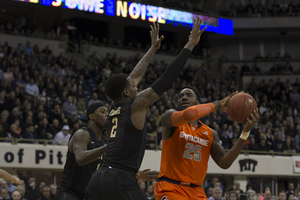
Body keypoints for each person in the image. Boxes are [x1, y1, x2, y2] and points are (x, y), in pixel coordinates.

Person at [84, 17, 207, 200]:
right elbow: (166, 77)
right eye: (133, 87)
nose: (137, 87)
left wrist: (152, 49)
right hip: (120, 179)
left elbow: (133, 75)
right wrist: (190, 44)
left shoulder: (113, 106)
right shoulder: (136, 105)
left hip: (98, 178)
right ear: (126, 92)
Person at [154, 88, 259, 199]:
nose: (183, 97)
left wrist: (244, 134)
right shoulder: (169, 118)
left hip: (196, 191)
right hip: (171, 187)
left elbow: (224, 163)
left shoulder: (210, 133)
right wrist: (219, 104)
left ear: (198, 103)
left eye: (189, 95)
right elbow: (190, 114)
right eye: (180, 96)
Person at [55, 103, 108, 200]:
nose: (107, 114)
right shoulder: (82, 134)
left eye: (108, 112)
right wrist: (106, 148)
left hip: (89, 195)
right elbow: (80, 158)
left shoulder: (105, 142)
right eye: (103, 111)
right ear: (92, 116)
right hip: (70, 193)